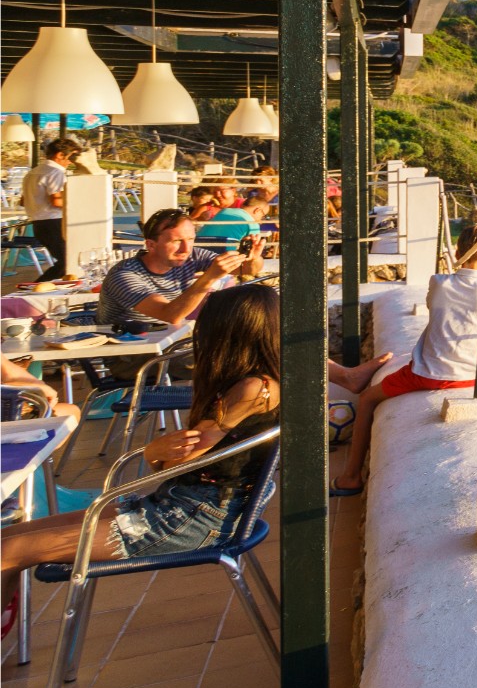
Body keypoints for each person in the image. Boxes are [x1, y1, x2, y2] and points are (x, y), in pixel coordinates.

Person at [1, 283, 283, 588]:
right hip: (180, 503)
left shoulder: (253, 389)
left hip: (192, 518)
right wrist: (158, 456)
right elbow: (175, 463)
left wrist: (153, 453)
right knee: (7, 539)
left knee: (9, 550)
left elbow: (178, 461)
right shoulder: (255, 380)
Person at [334, 222, 477, 494]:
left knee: (367, 399)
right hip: (472, 375)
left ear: (459, 248)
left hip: (425, 374)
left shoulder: (439, 282)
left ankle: (351, 476)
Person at [100, 209, 264, 330]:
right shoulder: (125, 275)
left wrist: (253, 258)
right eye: (176, 241)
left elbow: (245, 270)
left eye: (191, 239)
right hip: (132, 352)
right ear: (151, 245)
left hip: (172, 342)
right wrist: (209, 277)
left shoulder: (191, 256)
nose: (186, 248)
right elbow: (169, 315)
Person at [20, 139, 79, 282]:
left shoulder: (32, 172)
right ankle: (33, 289)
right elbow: (56, 200)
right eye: (71, 157)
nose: (71, 162)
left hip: (38, 224)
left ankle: (35, 288)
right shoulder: (56, 172)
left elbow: (22, 201)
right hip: (53, 222)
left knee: (67, 262)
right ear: (60, 155)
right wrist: (78, 203)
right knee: (68, 262)